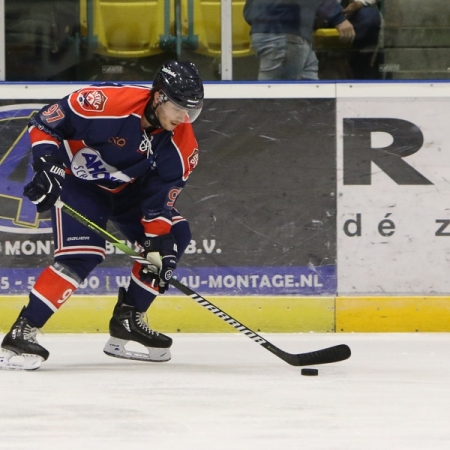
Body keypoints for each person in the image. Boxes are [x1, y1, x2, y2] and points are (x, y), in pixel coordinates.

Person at [0, 60, 204, 370]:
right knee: (81, 256)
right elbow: (45, 122)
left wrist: (157, 240)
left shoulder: (182, 146)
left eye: (192, 110)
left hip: (128, 192)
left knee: (171, 239)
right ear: (159, 96)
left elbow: (159, 201)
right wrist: (46, 165)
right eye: (179, 107)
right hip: (79, 184)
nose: (185, 117)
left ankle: (129, 318)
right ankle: (22, 331)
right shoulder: (108, 103)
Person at [243, 0, 355, 81]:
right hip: (285, 34)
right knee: (278, 101)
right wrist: (337, 17)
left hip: (277, 32)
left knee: (309, 99)